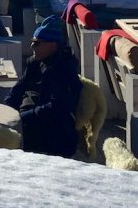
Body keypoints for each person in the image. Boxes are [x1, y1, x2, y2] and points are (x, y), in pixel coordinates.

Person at [5, 15, 82, 157]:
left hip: (54, 135)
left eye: (37, 43)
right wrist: (6, 107)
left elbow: (56, 108)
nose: (32, 46)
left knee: (3, 144)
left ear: (53, 45)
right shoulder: (36, 62)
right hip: (32, 119)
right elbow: (21, 86)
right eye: (32, 42)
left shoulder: (63, 70)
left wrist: (22, 118)